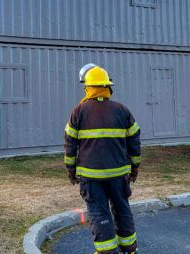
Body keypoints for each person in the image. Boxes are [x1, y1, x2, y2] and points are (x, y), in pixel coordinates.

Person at [64, 64, 142, 254]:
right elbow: (134, 140)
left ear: (88, 87)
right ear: (107, 87)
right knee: (122, 209)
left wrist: (70, 168)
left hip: (91, 177)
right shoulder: (122, 110)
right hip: (118, 174)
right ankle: (130, 249)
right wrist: (135, 166)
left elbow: (70, 143)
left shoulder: (78, 112)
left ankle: (107, 251)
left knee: (99, 213)